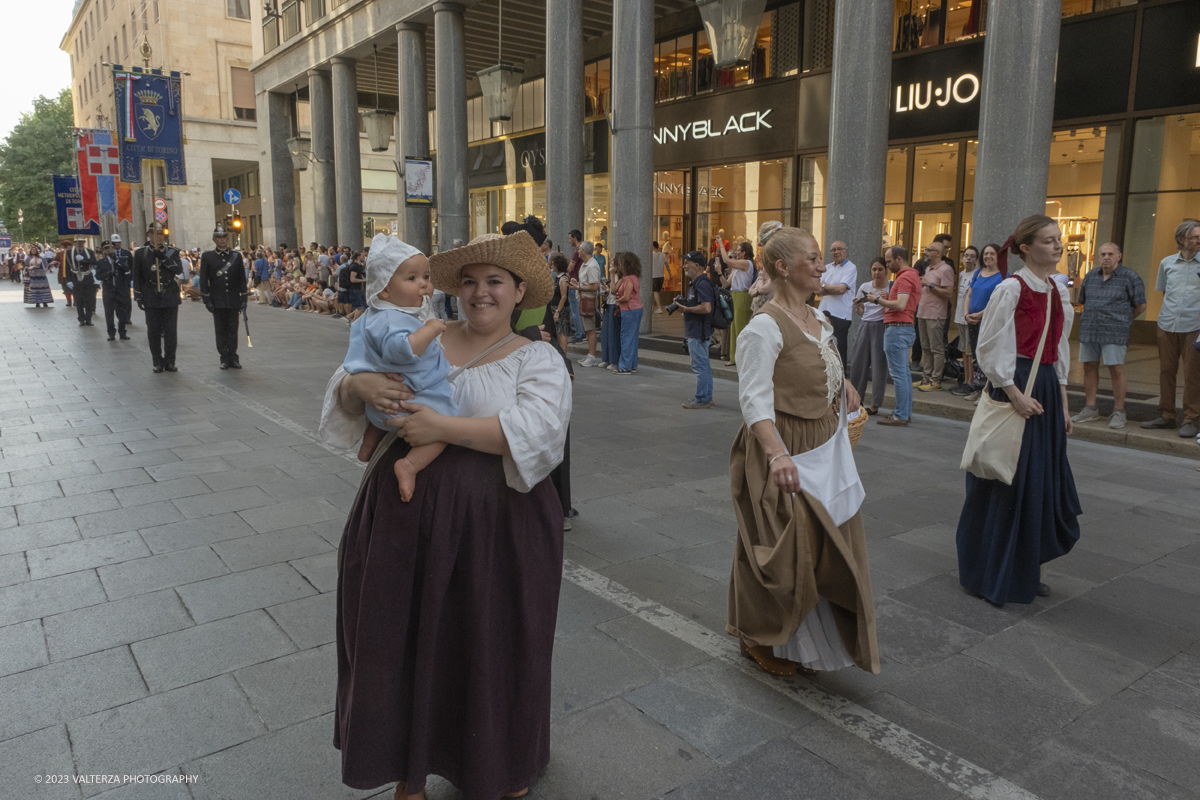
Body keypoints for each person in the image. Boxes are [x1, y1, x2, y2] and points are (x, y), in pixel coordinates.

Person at [319, 230, 568, 800]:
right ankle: (408, 769)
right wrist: (359, 384)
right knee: (396, 640)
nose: (481, 293)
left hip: (500, 522)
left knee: (493, 637)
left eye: (496, 282)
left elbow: (539, 433)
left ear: (520, 291)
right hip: (401, 515)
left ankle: (498, 760)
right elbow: (344, 380)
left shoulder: (539, 358)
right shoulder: (412, 331)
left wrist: (444, 429)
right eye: (471, 282)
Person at [728, 221, 878, 679]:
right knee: (780, 551)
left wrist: (844, 384)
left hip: (823, 446)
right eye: (812, 258)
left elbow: (823, 359)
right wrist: (777, 456)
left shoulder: (819, 320)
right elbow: (753, 402)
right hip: (783, 447)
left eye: (819, 258)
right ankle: (759, 636)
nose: (821, 266)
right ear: (782, 267)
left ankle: (801, 642)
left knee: (821, 548)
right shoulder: (763, 328)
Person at [957, 214, 1081, 605]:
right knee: (1006, 480)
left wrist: (1063, 405)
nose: (1057, 246)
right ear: (1026, 248)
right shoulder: (1011, 289)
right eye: (1048, 240)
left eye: (1058, 239)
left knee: (1038, 483)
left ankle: (1023, 565)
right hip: (1018, 384)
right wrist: (1014, 393)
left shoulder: (1058, 292)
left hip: (1042, 388)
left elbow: (1059, 351)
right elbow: (989, 347)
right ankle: (991, 570)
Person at [342, 235, 456, 502]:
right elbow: (401, 349)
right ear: (384, 290)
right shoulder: (394, 317)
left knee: (379, 424)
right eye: (412, 278)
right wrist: (429, 330)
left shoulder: (375, 314)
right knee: (448, 420)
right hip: (412, 399)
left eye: (426, 276)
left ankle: (368, 445)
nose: (424, 284)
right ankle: (410, 465)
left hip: (381, 410)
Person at [1071, 242, 1146, 429]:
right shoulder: (1090, 276)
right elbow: (1083, 302)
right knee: (1089, 366)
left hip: (1115, 332)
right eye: (1103, 254)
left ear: (1119, 256)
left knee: (1116, 368)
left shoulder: (1130, 277)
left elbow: (1141, 305)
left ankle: (1119, 411)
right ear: (1098, 256)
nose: (1106, 257)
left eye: (1110, 254)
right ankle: (1090, 408)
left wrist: (1123, 321)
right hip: (1090, 330)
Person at [1141, 219, 1200, 438]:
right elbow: (1165, 294)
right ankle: (1166, 415)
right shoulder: (1167, 263)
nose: (1198, 240)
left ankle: (1192, 419)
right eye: (1195, 237)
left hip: (1195, 325)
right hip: (1167, 324)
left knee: (1193, 374)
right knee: (1166, 371)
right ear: (1181, 240)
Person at [868, 246, 921, 427]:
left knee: (899, 375)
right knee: (904, 374)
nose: (887, 265)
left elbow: (900, 304)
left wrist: (877, 300)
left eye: (889, 261)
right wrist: (888, 296)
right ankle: (904, 413)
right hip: (904, 327)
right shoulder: (911, 275)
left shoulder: (905, 277)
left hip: (897, 328)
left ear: (899, 259)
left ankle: (900, 415)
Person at [132, 222, 184, 373]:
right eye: (155, 234)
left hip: (169, 294)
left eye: (161, 234)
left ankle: (170, 361)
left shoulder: (172, 252)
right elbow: (137, 276)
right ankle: (157, 361)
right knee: (153, 331)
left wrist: (163, 258)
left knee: (170, 331)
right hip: (151, 294)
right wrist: (138, 296)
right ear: (149, 235)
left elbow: (178, 270)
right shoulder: (141, 253)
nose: (159, 237)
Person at [960, 243, 1006, 401]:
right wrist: (966, 315)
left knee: (988, 356)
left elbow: (999, 302)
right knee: (976, 355)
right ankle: (978, 389)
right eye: (986, 254)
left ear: (999, 256)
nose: (988, 257)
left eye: (992, 254)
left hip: (988, 322)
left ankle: (987, 392)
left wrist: (979, 315)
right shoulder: (978, 273)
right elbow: (969, 295)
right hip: (972, 321)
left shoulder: (1003, 276)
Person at [199, 224, 248, 370]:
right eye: (219, 238)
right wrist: (207, 299)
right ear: (214, 239)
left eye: (224, 237)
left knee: (233, 329)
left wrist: (244, 298)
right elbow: (203, 279)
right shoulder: (208, 256)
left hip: (233, 299)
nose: (222, 240)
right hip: (217, 299)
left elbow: (241, 278)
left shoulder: (236, 256)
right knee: (220, 330)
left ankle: (233, 357)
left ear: (227, 238)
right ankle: (224, 358)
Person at [850, 258, 890, 415]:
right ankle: (856, 400)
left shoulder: (890, 287)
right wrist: (858, 307)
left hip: (881, 326)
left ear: (886, 270)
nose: (876, 273)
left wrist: (885, 299)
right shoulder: (864, 287)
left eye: (880, 269)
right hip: (865, 325)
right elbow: (861, 313)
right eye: (874, 269)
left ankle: (875, 404)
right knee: (858, 364)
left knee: (879, 367)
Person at [675, 249, 715, 409]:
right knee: (703, 364)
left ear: (697, 265)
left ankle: (702, 398)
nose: (683, 265)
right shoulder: (697, 283)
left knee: (700, 365)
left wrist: (685, 309)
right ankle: (706, 396)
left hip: (698, 331)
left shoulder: (702, 283)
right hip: (697, 329)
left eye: (687, 263)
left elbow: (706, 308)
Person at [913, 241, 954, 392]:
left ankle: (936, 380)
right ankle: (926, 377)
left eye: (929, 250)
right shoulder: (929, 268)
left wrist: (929, 284)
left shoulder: (945, 269)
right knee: (925, 347)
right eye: (926, 249)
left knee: (936, 349)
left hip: (936, 313)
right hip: (923, 312)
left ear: (938, 253)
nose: (926, 252)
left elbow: (949, 293)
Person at [818, 240, 856, 366]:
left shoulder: (850, 267)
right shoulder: (827, 267)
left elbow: (841, 290)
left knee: (838, 350)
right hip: (823, 312)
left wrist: (825, 286)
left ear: (845, 250)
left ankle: (842, 380)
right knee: (823, 347)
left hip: (840, 315)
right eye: (833, 250)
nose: (836, 252)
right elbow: (818, 290)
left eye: (839, 249)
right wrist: (830, 288)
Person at [718, 239, 756, 367]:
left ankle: (744, 358)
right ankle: (734, 358)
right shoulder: (737, 268)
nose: (736, 253)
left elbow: (727, 260)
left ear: (744, 253)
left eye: (738, 251)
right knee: (734, 328)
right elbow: (725, 284)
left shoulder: (747, 263)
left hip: (743, 296)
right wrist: (719, 272)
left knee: (741, 328)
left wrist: (722, 246)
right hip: (734, 295)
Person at [950, 245, 980, 396]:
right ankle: (966, 380)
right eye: (966, 255)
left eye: (972, 256)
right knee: (963, 350)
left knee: (969, 352)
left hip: (969, 318)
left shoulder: (978, 274)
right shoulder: (961, 274)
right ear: (962, 259)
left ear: (976, 260)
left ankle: (971, 382)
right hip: (959, 317)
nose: (968, 258)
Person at [95, 237, 133, 341]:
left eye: (111, 248)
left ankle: (122, 332)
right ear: (103, 250)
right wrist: (108, 274)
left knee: (122, 313)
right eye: (106, 249)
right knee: (109, 313)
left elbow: (126, 268)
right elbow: (98, 276)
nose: (109, 250)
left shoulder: (120, 259)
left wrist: (116, 259)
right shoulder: (101, 262)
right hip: (109, 290)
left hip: (120, 290)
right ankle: (111, 333)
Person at [572, 241, 602, 367]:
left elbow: (594, 286)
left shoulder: (591, 265)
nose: (577, 251)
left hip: (588, 299)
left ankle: (592, 355)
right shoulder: (586, 264)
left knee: (590, 329)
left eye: (579, 249)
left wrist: (578, 286)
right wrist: (577, 284)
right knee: (587, 328)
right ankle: (590, 354)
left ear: (584, 251)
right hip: (583, 298)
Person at [613, 251, 643, 374]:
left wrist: (617, 300)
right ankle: (632, 364)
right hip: (636, 308)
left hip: (629, 309)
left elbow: (626, 297)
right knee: (633, 337)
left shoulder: (629, 278)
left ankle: (625, 366)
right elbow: (614, 288)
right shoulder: (631, 277)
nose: (619, 265)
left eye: (621, 263)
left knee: (626, 337)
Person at [69, 235, 98, 326]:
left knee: (89, 299)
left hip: (87, 277)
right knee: (79, 299)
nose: (80, 244)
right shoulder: (70, 252)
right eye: (78, 242)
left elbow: (94, 261)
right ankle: (81, 318)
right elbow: (67, 267)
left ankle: (88, 318)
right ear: (75, 243)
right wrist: (68, 280)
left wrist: (84, 259)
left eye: (82, 242)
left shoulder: (89, 251)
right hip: (76, 278)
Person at [550, 253, 573, 353]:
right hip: (555, 306)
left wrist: (557, 311)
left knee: (562, 332)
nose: (551, 265)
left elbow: (564, 297)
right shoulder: (558, 278)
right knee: (558, 332)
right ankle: (560, 352)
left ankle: (563, 354)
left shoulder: (563, 279)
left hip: (561, 309)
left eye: (553, 264)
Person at [566, 229, 585, 342]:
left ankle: (579, 334)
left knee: (575, 311)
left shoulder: (577, 251)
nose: (569, 241)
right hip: (579, 282)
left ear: (574, 238)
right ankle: (580, 332)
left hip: (574, 283)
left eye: (570, 238)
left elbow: (570, 268)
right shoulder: (581, 251)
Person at [651, 240, 667, 313]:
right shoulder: (663, 255)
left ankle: (659, 308)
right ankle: (652, 307)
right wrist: (669, 274)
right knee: (656, 292)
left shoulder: (651, 255)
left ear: (653, 247)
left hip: (654, 276)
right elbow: (667, 265)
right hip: (661, 276)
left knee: (655, 292)